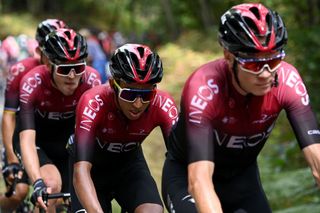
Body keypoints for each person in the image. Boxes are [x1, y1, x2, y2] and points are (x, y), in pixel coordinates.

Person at [162, 3, 320, 213]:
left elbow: (317, 158)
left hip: (241, 180)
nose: (265, 73)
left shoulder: (288, 81)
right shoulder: (203, 89)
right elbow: (199, 180)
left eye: (273, 61)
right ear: (229, 57)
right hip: (186, 175)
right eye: (254, 64)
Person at [69, 43, 178, 212]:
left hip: (129, 167)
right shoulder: (93, 101)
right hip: (91, 170)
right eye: (129, 94)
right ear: (113, 84)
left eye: (146, 94)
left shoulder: (163, 104)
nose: (138, 103)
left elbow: (182, 160)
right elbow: (81, 169)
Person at [19, 28, 101, 212]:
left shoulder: (92, 80)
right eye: (64, 69)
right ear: (48, 64)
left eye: (79, 68)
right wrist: (38, 183)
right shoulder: (32, 82)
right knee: (51, 186)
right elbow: (26, 140)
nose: (72, 76)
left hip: (66, 145)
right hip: (37, 142)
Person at [0, 18, 67, 213]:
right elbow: (9, 117)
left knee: (54, 196)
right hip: (23, 138)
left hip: (52, 142)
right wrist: (12, 159)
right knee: (18, 193)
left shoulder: (69, 73)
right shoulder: (21, 71)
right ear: (39, 49)